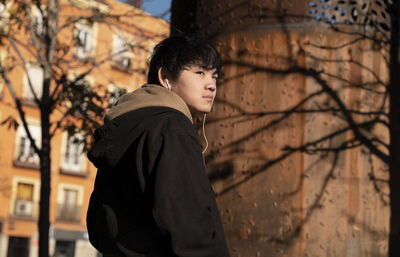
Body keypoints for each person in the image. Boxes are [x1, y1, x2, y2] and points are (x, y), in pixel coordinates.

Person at [86, 33, 231, 257]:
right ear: (166, 78)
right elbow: (187, 225)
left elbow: (99, 225)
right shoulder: (171, 128)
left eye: (214, 76)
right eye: (200, 73)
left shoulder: (131, 127)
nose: (211, 85)